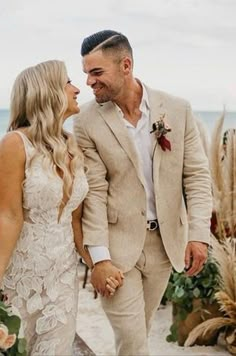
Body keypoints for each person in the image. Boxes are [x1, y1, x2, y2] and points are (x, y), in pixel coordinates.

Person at [73, 30, 212, 355]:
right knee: (134, 341)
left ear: (126, 64)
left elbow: (196, 176)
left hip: (165, 246)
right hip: (117, 250)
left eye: (96, 73)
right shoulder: (86, 121)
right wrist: (100, 260)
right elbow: (93, 193)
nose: (89, 83)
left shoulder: (177, 110)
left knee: (140, 332)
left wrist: (198, 234)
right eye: (86, 74)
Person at [0, 60, 117, 355]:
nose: (78, 88)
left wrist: (97, 264)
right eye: (68, 82)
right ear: (47, 91)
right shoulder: (15, 144)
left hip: (63, 279)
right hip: (19, 277)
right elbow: (8, 216)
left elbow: (74, 221)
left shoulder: (71, 145)